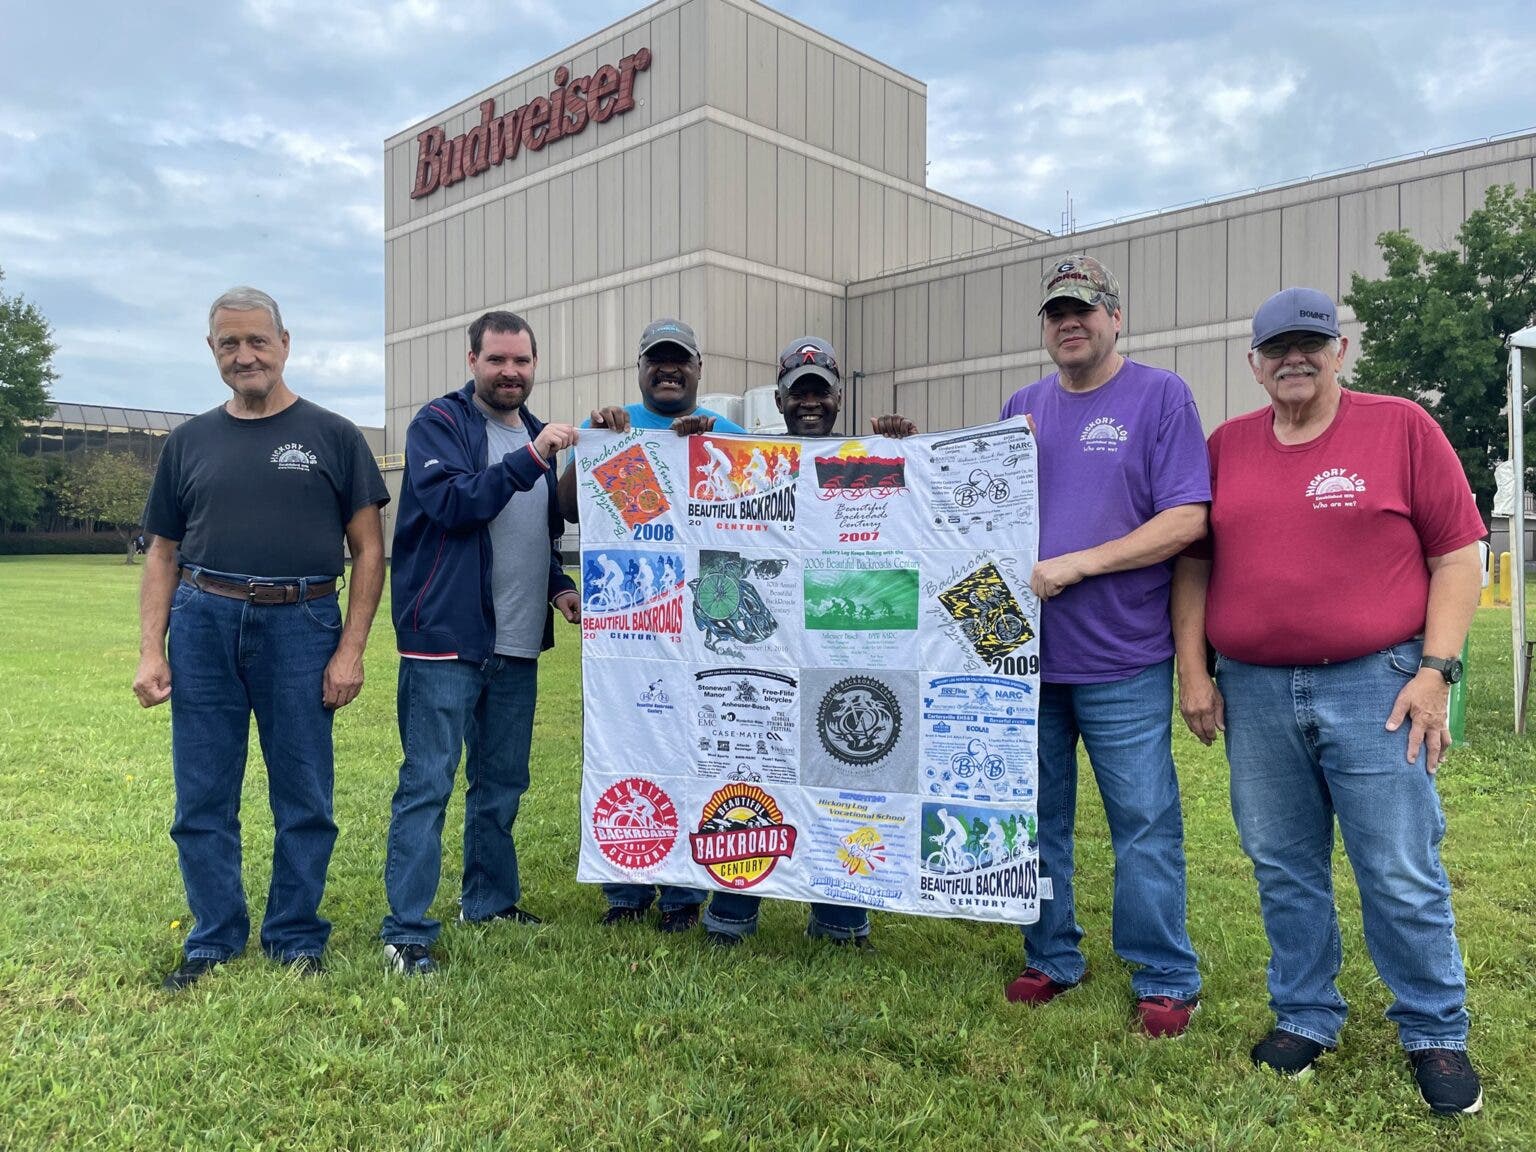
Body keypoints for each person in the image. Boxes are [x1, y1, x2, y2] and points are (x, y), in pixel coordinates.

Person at [1171, 287, 1486, 1114]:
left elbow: (1459, 554)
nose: (1294, 359)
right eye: (1277, 348)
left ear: (1340, 350)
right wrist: (1194, 671)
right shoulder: (1227, 446)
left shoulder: (1401, 427)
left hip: (1376, 682)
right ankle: (1306, 1014)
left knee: (1399, 867)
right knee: (1283, 866)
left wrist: (1435, 670)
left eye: (1311, 343)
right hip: (1255, 688)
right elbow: (1195, 564)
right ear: (1254, 363)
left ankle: (1435, 1032)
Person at [134, 286, 387, 991]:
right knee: (201, 799)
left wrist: (351, 649)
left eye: (257, 341)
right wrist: (153, 648)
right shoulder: (188, 442)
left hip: (302, 626)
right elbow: (161, 552)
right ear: (211, 351)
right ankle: (213, 940)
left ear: (285, 343)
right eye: (228, 344)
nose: (244, 356)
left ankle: (295, 936)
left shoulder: (334, 436)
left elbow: (369, 550)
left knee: (305, 796)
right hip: (203, 622)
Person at [997, 255, 1209, 1037]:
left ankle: (1165, 973)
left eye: (1083, 310)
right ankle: (1052, 956)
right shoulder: (1022, 406)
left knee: (1144, 820)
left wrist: (1081, 563)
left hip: (1123, 656)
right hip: (1029, 665)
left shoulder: (1160, 396)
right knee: (1037, 819)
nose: (1069, 323)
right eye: (1056, 313)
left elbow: (1188, 518)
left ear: (1115, 317)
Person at [695, 335, 917, 949]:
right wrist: (681, 446)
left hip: (847, 650)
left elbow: (920, 519)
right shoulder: (744, 463)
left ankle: (842, 919)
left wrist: (907, 447)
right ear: (781, 398)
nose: (810, 403)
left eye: (821, 392)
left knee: (846, 776)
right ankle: (731, 915)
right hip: (761, 652)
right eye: (800, 393)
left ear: (840, 397)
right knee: (746, 766)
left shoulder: (869, 460)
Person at [381, 310, 580, 976]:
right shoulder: (439, 424)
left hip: (518, 645)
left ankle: (488, 901)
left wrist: (559, 588)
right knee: (427, 785)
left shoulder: (532, 432)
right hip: (445, 642)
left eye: (521, 361)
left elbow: (533, 536)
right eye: (497, 359)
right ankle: (406, 931)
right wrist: (533, 457)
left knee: (501, 785)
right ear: (472, 359)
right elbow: (457, 504)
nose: (510, 372)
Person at [558, 317, 746, 933]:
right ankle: (625, 886)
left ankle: (683, 894)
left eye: (680, 361)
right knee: (625, 745)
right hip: (630, 633)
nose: (668, 370)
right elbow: (564, 507)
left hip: (703, 631)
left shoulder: (727, 434)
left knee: (695, 754)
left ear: (699, 369)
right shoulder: (612, 432)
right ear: (639, 369)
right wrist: (590, 443)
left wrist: (709, 447)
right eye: (656, 361)